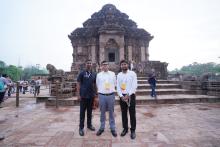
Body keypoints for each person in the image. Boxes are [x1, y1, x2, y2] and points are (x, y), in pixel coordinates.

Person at [117, 60, 137, 139]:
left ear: (128, 65)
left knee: (132, 113)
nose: (124, 66)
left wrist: (128, 95)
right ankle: (125, 128)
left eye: (125, 64)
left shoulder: (132, 74)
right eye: (122, 64)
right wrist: (121, 96)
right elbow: (118, 86)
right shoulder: (119, 75)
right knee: (124, 113)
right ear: (120, 66)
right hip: (122, 96)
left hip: (131, 95)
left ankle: (133, 130)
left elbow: (134, 85)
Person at [96, 61, 117, 137]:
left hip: (111, 95)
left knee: (111, 111)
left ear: (108, 66)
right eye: (103, 65)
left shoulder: (113, 74)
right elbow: (97, 84)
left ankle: (112, 127)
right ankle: (102, 127)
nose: (105, 66)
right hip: (102, 95)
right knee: (102, 112)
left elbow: (115, 83)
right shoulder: (99, 75)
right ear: (101, 66)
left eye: (106, 65)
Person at [77, 59, 96, 136]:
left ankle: (89, 125)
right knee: (82, 113)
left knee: (89, 112)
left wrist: (96, 94)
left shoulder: (94, 74)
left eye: (90, 63)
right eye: (88, 63)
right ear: (85, 64)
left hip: (91, 96)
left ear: (92, 64)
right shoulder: (81, 73)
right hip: (83, 96)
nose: (89, 64)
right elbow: (78, 83)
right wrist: (78, 95)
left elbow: (95, 85)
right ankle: (81, 128)